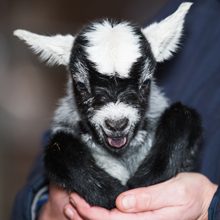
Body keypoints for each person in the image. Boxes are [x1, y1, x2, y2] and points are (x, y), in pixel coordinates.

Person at [10, 0, 220, 219]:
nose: (116, 116)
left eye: (142, 84)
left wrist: (210, 206)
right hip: (93, 184)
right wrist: (45, 209)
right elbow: (40, 185)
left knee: (184, 120)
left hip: (155, 174)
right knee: (58, 151)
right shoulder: (205, 10)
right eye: (83, 85)